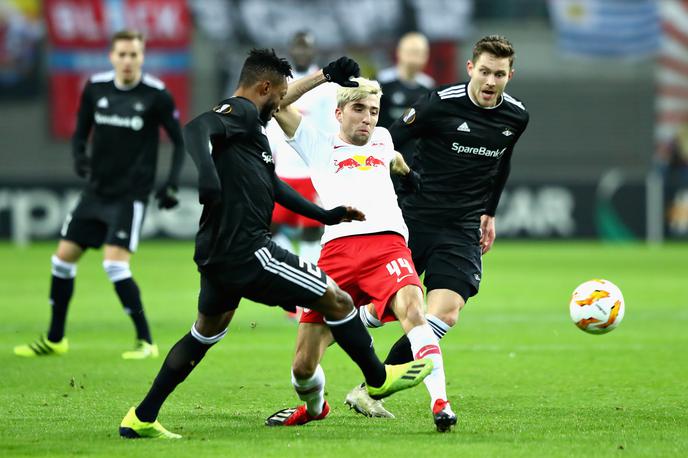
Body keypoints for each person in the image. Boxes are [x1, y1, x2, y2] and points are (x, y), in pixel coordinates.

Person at [118, 49, 432, 439]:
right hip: (249, 251)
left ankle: (142, 416)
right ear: (266, 87)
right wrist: (206, 176)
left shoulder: (254, 134)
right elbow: (196, 128)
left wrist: (326, 216)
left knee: (204, 333)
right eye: (279, 92)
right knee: (337, 299)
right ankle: (379, 377)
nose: (280, 101)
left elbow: (273, 185)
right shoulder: (244, 112)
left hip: (216, 255)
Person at [345, 35, 530, 418]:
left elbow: (503, 161)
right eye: (484, 72)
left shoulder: (516, 116)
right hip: (412, 220)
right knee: (374, 307)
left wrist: (489, 212)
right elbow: (386, 140)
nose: (490, 81)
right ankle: (345, 330)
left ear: (510, 74)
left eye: (499, 74)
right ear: (470, 69)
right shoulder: (438, 104)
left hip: (461, 227)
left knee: (443, 313)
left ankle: (370, 391)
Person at [263, 71, 456, 432]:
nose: (367, 118)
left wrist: (408, 174)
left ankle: (440, 403)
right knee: (303, 366)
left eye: (373, 110)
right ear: (338, 114)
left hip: (388, 246)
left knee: (415, 310)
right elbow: (276, 102)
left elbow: (394, 156)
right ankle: (315, 407)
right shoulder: (316, 143)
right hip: (336, 254)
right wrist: (323, 77)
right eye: (358, 109)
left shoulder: (382, 138)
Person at [13, 29, 185, 360]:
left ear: (142, 57)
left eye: (133, 54)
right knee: (61, 261)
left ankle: (146, 342)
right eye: (121, 54)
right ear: (111, 56)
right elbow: (80, 131)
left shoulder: (156, 95)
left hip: (130, 196)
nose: (127, 61)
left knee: (114, 266)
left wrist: (171, 183)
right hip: (95, 193)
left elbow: (178, 142)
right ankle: (55, 338)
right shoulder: (96, 88)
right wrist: (78, 154)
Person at [267, 31, 338, 265]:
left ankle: (309, 276)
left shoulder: (325, 87)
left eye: (306, 47)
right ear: (290, 50)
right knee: (269, 225)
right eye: (297, 47)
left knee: (311, 229)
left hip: (311, 170)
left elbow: (331, 127)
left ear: (314, 51)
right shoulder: (278, 84)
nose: (301, 52)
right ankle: (295, 265)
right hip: (282, 170)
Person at [377, 32, 435, 130]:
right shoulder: (381, 82)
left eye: (422, 53)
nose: (416, 58)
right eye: (412, 52)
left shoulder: (428, 87)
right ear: (399, 52)